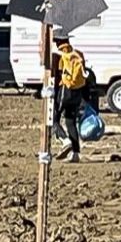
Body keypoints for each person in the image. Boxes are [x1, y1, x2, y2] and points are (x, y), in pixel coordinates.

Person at [52, 32, 89, 163]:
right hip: (77, 92)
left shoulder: (59, 56)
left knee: (53, 119)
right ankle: (76, 153)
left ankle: (64, 140)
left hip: (64, 90)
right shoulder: (79, 54)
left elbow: (56, 76)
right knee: (70, 121)